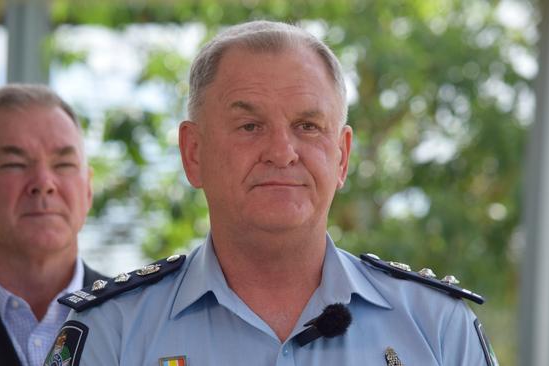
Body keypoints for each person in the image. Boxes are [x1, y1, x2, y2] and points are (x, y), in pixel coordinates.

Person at [49, 21, 498, 366]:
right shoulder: (112, 332)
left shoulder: (437, 330)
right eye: (250, 126)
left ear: (341, 157)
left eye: (307, 126)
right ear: (193, 153)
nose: (282, 152)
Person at [0, 84, 107, 366]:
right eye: (14, 163)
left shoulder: (142, 320)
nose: (44, 183)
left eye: (63, 164)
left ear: (88, 190)